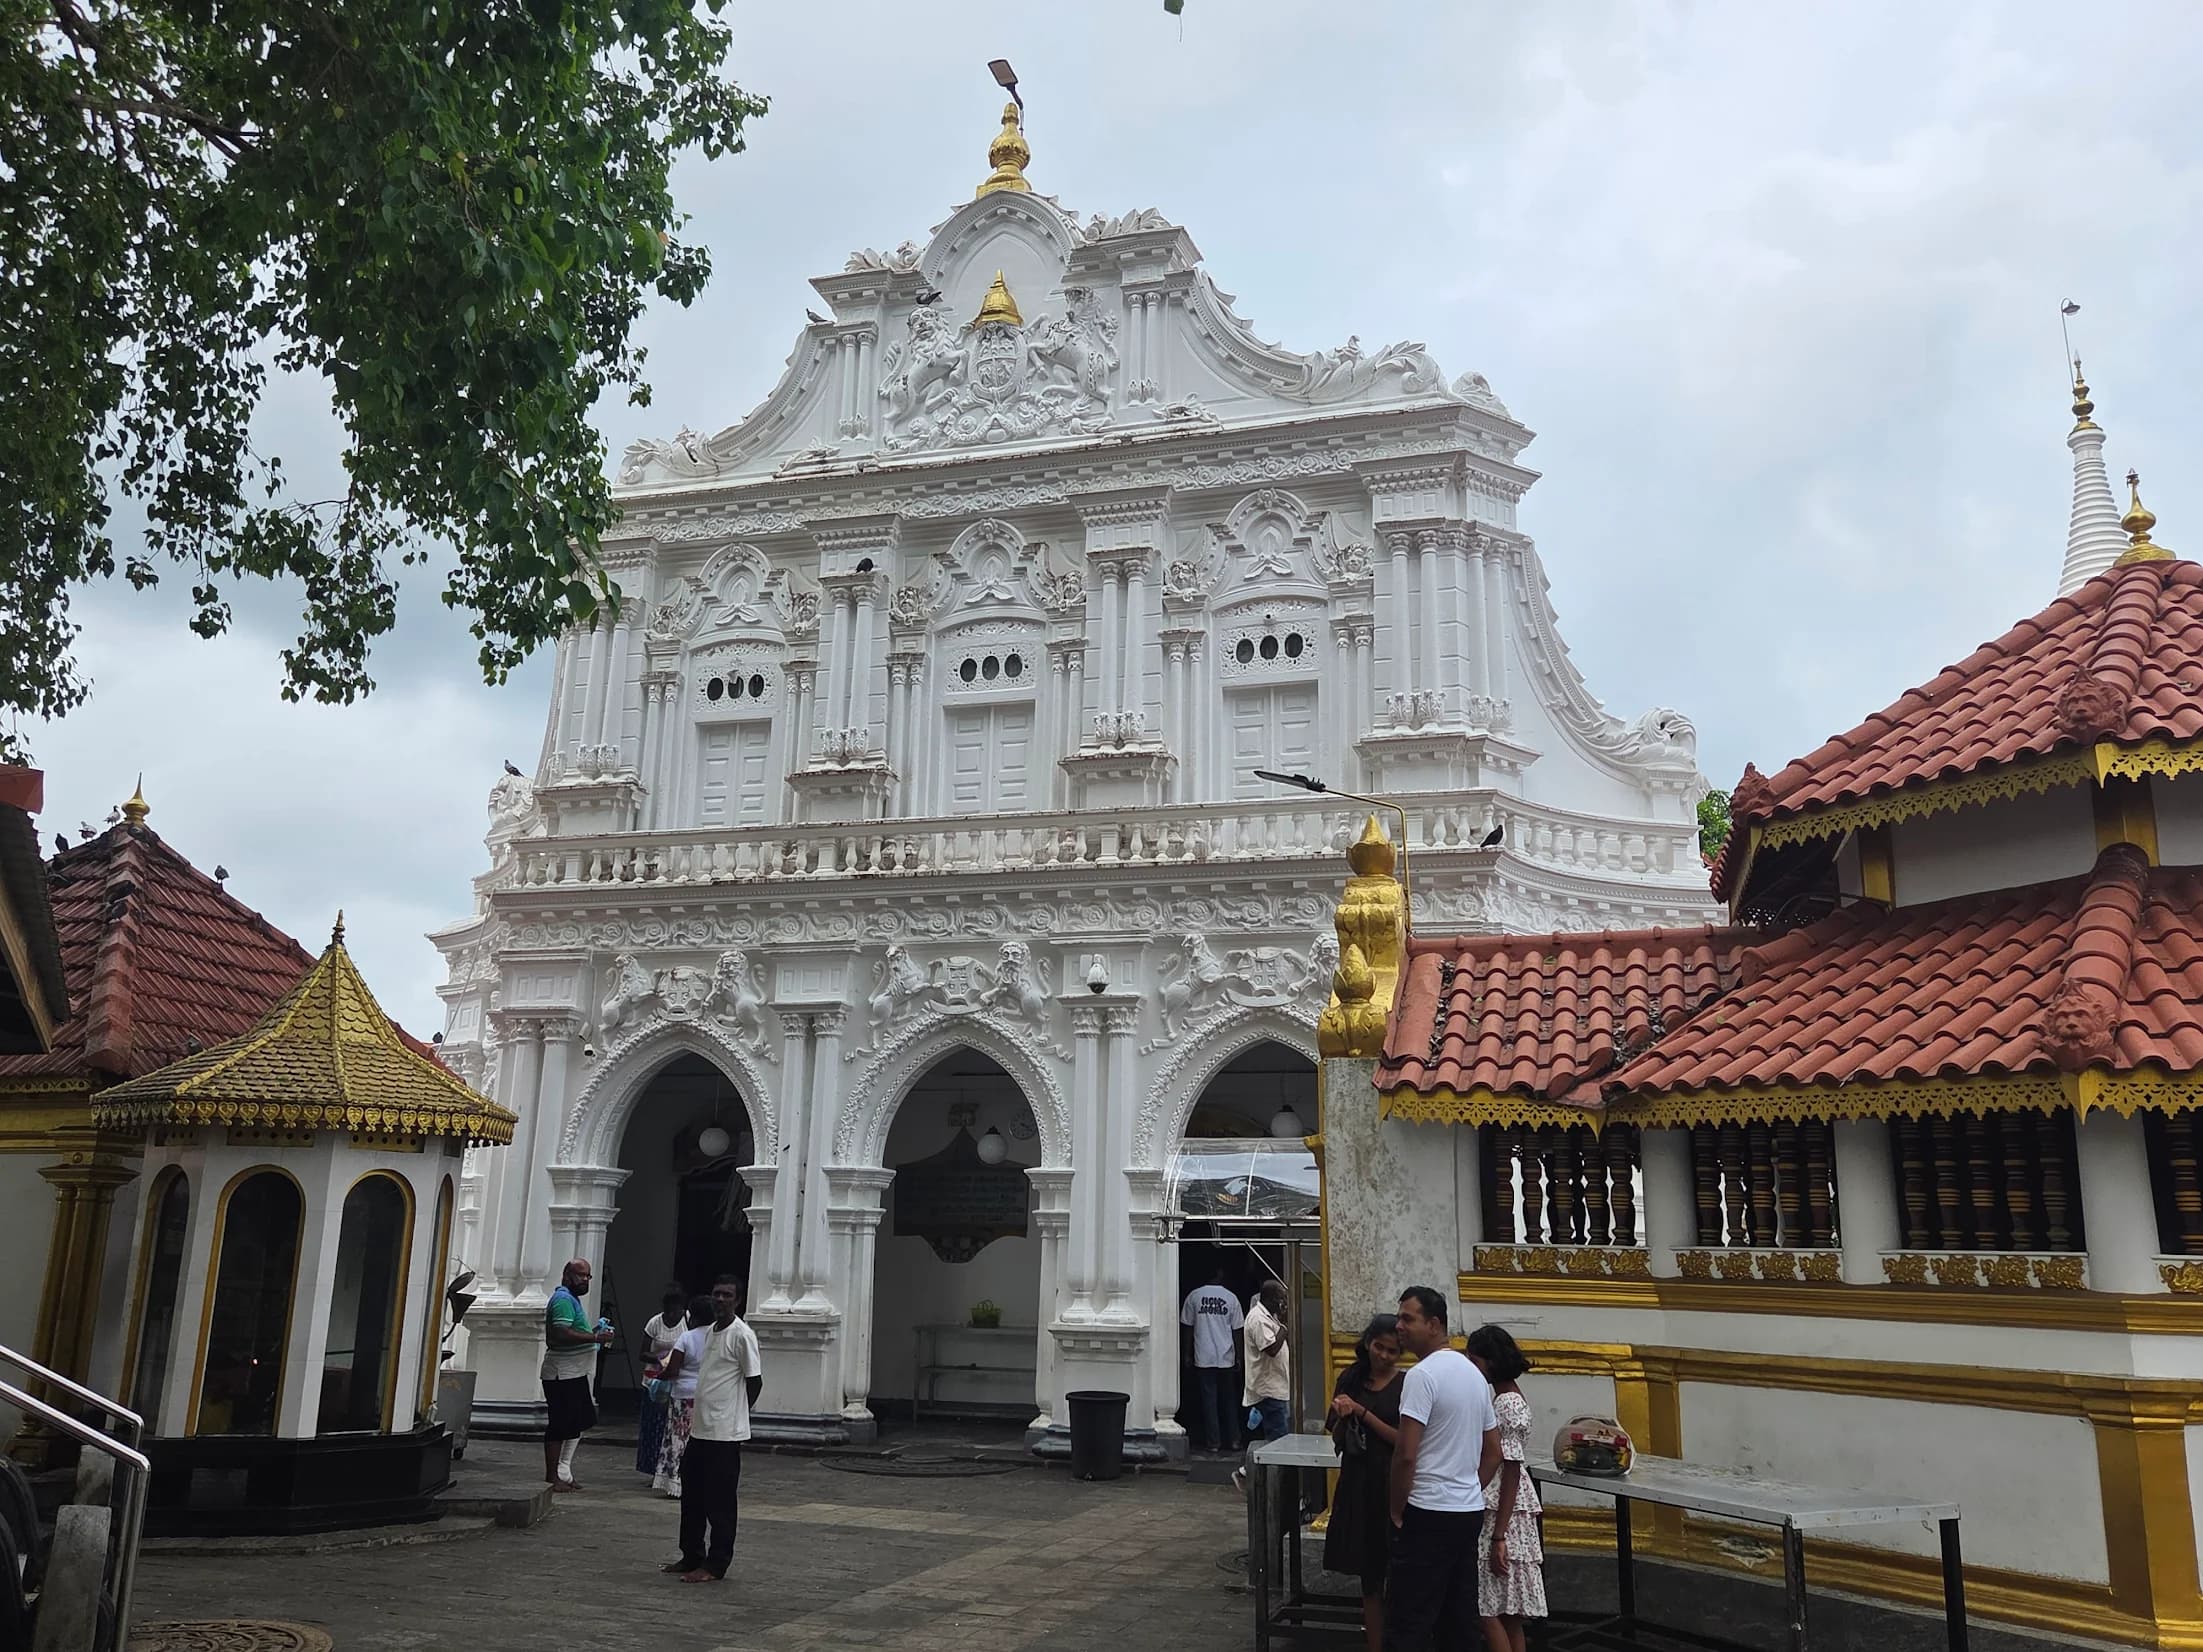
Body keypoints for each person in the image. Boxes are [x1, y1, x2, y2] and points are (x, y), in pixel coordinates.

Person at [1386, 1284, 1501, 1652]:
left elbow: (1406, 1453)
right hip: (1466, 1512)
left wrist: (1396, 1508)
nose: (1399, 1326)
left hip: (1427, 1511)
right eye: (1399, 1318)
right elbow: (1493, 1452)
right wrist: (1467, 1488)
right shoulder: (1475, 1376)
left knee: (1409, 1620)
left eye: (1408, 1319)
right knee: (1459, 1618)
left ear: (1434, 1324)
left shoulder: (1421, 1376)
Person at [663, 1274, 763, 1585]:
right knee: (692, 1495)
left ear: (738, 1300)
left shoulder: (741, 1335)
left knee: (720, 1502)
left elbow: (754, 1381)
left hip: (725, 1433)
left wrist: (737, 1414)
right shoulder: (709, 1333)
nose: (720, 1299)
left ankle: (716, 1563)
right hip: (700, 1429)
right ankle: (691, 1553)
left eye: (727, 1295)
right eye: (717, 1294)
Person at [1324, 1314, 1405, 1652]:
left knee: (1400, 1578)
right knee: (1369, 1579)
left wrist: (1361, 1413)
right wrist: (1344, 1417)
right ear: (1368, 1343)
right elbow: (1336, 1436)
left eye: (1392, 1350)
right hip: (1359, 1485)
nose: (1383, 1355)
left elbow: (1403, 1441)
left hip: (1392, 1486)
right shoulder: (1351, 1378)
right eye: (1379, 1347)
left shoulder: (1405, 1385)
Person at [1467, 1325, 1545, 1652]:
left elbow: (1510, 1468)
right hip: (1508, 1508)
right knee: (1507, 1612)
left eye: (1475, 1361)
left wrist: (1499, 1535)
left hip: (1502, 1511)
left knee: (1486, 1608)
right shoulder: (1508, 1397)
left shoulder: (1507, 1403)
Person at [541, 1257, 613, 1491]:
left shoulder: (571, 1299)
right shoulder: (563, 1300)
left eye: (588, 1276)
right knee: (559, 1424)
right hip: (562, 1373)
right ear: (566, 1275)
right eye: (580, 1275)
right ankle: (552, 1476)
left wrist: (595, 1334)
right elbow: (561, 1333)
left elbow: (573, 1331)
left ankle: (564, 1470)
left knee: (577, 1421)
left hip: (575, 1371)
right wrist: (594, 1337)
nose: (585, 1280)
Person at [1232, 1278, 1293, 1495]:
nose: (1283, 1303)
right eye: (1281, 1299)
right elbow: (1271, 1349)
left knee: (1274, 1436)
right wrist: (1284, 1329)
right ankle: (1263, 1481)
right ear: (1270, 1299)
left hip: (1275, 1387)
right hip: (1269, 1390)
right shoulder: (1258, 1319)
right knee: (1279, 1440)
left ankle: (1248, 1473)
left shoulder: (1268, 1316)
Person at [654, 1293, 715, 1498]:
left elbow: (673, 1369)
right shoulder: (716, 1337)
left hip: (683, 1395)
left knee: (679, 1438)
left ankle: (676, 1481)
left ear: (692, 1316)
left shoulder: (686, 1338)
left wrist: (660, 1376)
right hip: (707, 1393)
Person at [1179, 1265, 1244, 1454]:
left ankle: (1213, 1442)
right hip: (1226, 1357)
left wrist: (1187, 1353)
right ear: (1220, 1273)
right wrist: (1239, 1356)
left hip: (1203, 1356)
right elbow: (1237, 1330)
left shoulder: (1194, 1297)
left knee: (1209, 1401)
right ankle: (1234, 1440)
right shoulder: (1231, 1298)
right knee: (1229, 1400)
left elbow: (1187, 1327)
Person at [637, 1286, 688, 1479]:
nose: (673, 1315)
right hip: (655, 1383)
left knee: (674, 1426)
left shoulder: (688, 1320)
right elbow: (642, 1353)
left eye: (677, 1311)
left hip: (677, 1381)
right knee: (653, 1427)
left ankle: (673, 1469)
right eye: (669, 1311)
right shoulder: (655, 1323)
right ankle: (652, 1469)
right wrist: (660, 1357)